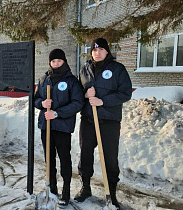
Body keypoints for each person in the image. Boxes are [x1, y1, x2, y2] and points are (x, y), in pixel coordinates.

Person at [74, 38, 132, 209]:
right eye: (94, 50)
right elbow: (77, 93)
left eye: (100, 50)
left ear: (107, 51)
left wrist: (103, 101)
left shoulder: (117, 69)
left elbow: (126, 93)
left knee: (110, 158)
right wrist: (85, 95)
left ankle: (111, 192)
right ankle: (85, 187)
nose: (97, 53)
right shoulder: (85, 70)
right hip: (88, 120)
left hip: (109, 122)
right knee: (85, 154)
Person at [34, 49, 84, 206]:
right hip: (46, 126)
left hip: (62, 127)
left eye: (59, 61)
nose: (56, 64)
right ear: (50, 62)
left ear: (64, 62)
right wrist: (42, 103)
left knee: (64, 159)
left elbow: (78, 103)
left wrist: (57, 113)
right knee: (49, 160)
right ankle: (53, 188)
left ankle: (66, 191)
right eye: (53, 61)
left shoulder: (71, 81)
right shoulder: (44, 80)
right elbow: (35, 100)